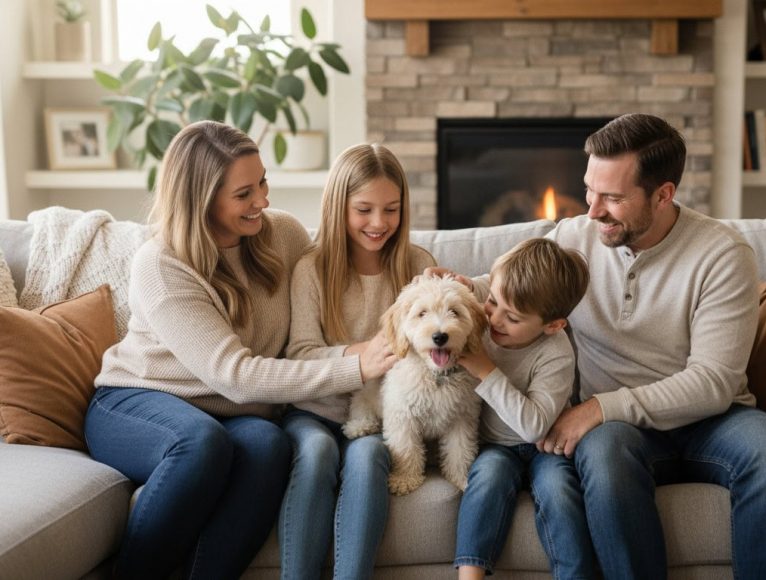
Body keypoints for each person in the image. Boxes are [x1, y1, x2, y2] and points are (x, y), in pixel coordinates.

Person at [84, 121, 396, 580]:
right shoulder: (161, 265)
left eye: (263, 182)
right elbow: (234, 375)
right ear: (202, 198)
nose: (263, 202)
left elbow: (341, 281)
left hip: (230, 413)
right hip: (137, 402)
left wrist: (453, 287)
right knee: (200, 444)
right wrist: (355, 365)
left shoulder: (283, 234)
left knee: (270, 444)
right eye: (244, 194)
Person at [535, 113, 766, 579]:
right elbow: (513, 290)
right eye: (589, 189)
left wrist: (599, 407)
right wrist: (461, 288)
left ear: (663, 194)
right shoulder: (572, 240)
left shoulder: (722, 254)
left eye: (613, 197)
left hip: (711, 421)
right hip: (623, 430)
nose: (592, 210)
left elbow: (713, 383)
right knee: (603, 454)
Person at [281, 143, 436, 579]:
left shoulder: (417, 264)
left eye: (391, 209)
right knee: (314, 453)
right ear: (338, 207)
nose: (379, 223)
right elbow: (300, 354)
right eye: (364, 209)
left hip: (386, 414)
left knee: (368, 459)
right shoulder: (311, 269)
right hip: (317, 411)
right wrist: (363, 355)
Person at [453, 238, 595, 580]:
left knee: (560, 493)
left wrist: (485, 369)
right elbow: (481, 290)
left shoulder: (556, 352)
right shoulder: (484, 317)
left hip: (544, 447)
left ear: (553, 324)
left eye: (512, 317)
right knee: (485, 482)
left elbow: (533, 426)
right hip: (494, 447)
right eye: (491, 302)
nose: (495, 320)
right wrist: (466, 287)